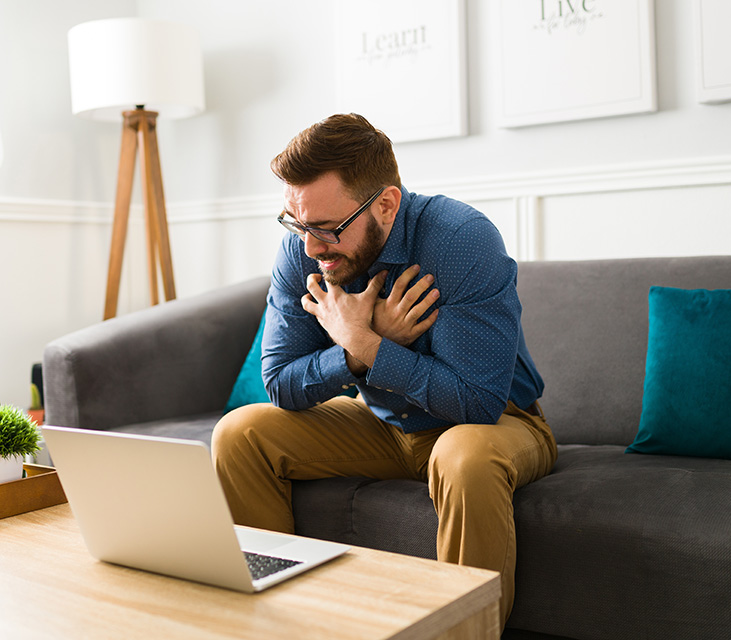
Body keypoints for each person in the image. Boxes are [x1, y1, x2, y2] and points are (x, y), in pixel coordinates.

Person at [211, 113, 557, 626]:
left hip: (495, 422)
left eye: (327, 228)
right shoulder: (303, 246)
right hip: (381, 422)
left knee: (464, 459)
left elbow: (477, 401)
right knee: (241, 433)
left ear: (387, 204)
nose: (310, 247)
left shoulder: (461, 240)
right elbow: (280, 381)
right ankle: (278, 625)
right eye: (296, 223)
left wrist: (370, 346)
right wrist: (357, 350)